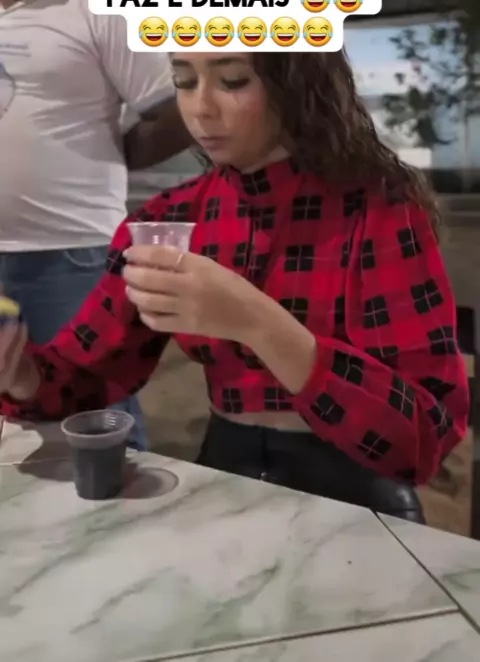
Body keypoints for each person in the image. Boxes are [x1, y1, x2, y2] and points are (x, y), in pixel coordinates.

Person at [0, 51, 470, 523]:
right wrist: (20, 374)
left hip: (359, 497)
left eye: (232, 80)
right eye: (184, 82)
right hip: (228, 478)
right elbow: (84, 374)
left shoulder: (379, 211)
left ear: (298, 83)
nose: (200, 109)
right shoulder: (170, 218)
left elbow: (422, 441)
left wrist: (258, 322)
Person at [0, 0, 191, 449]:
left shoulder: (100, 5)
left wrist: (112, 153)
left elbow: (175, 107)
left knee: (94, 417)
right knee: (13, 429)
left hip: (72, 255)